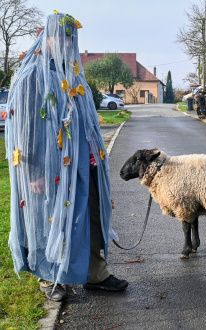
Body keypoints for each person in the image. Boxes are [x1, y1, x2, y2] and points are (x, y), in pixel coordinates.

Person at [5, 12, 128, 302]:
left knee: (92, 218)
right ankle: (51, 278)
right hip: (51, 166)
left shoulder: (73, 73)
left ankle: (95, 273)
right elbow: (26, 130)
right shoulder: (33, 76)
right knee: (52, 220)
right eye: (60, 36)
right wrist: (36, 170)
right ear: (45, 37)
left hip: (86, 165)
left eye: (71, 36)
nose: (66, 42)